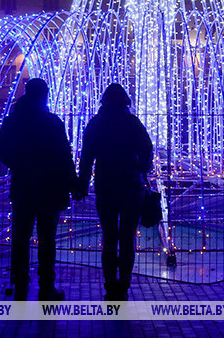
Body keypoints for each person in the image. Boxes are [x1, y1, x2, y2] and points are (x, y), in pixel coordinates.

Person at [0, 78, 76, 301]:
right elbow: (64, 155)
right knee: (47, 238)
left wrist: (18, 164)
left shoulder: (14, 121)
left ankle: (20, 284)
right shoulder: (52, 123)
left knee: (20, 237)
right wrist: (73, 183)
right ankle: (46, 286)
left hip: (22, 186)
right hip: (50, 186)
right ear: (44, 95)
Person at [76, 83, 153, 300]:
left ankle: (110, 284)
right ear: (125, 102)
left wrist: (83, 183)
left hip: (106, 185)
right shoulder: (131, 122)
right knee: (127, 237)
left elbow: (86, 158)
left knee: (109, 237)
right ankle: (124, 284)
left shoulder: (96, 124)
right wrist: (142, 169)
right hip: (131, 185)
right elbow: (147, 148)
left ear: (104, 101)